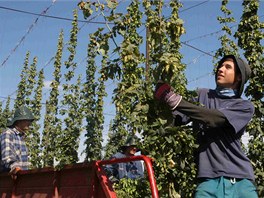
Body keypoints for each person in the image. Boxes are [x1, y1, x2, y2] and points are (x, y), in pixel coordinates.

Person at [154, 55, 258, 198]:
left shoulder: (244, 106)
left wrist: (175, 100)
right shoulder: (202, 95)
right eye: (220, 66)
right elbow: (176, 120)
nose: (221, 69)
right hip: (208, 179)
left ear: (239, 77)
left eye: (228, 67)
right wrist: (159, 105)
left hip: (240, 181)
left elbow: (214, 119)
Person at [0, 105, 35, 179]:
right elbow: (7, 156)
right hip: (8, 180)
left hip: (20, 178)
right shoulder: (8, 133)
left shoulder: (21, 137)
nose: (29, 123)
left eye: (30, 120)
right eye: (27, 120)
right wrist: (15, 167)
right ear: (19, 121)